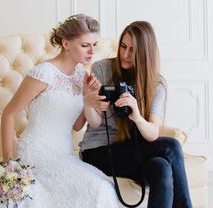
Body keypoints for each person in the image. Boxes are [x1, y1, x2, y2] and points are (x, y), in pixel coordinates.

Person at [0, 14, 119, 208]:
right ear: (66, 43)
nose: (92, 51)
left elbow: (76, 126)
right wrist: (9, 165)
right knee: (98, 189)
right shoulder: (43, 73)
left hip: (63, 155)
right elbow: (9, 113)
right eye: (85, 45)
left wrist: (88, 98)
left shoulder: (81, 76)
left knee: (104, 187)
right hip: (35, 155)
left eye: (94, 45)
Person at [80, 21, 193, 208]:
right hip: (99, 151)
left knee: (162, 168)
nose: (124, 55)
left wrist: (137, 116)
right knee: (171, 146)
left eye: (132, 50)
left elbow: (152, 133)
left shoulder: (156, 84)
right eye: (123, 47)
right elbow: (94, 122)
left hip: (135, 150)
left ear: (144, 53)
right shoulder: (102, 69)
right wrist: (90, 102)